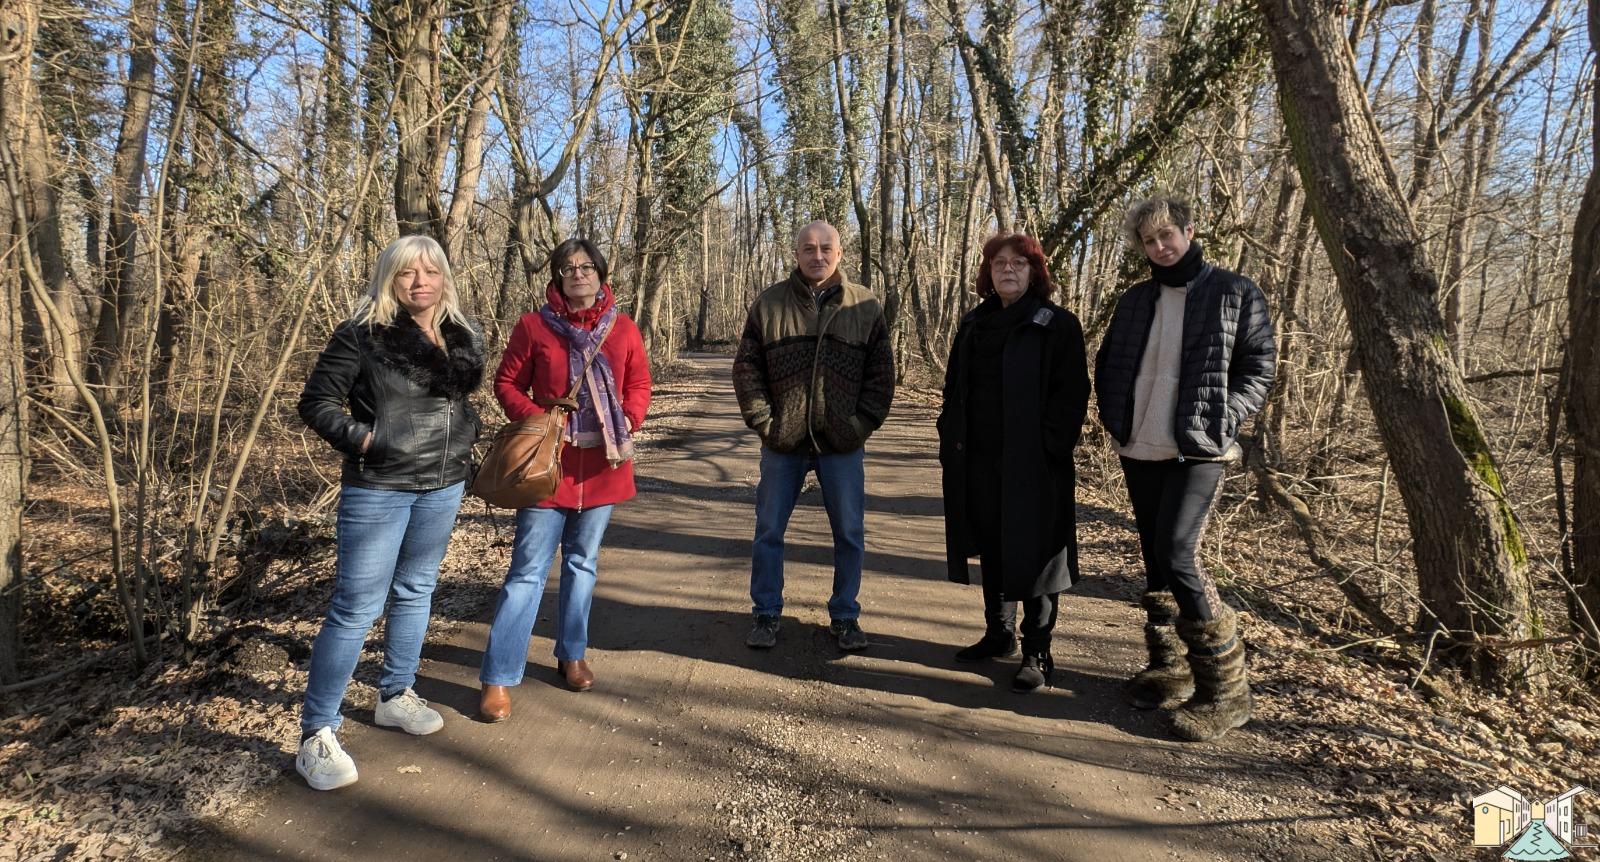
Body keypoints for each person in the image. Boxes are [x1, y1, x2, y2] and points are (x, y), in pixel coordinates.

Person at [294, 235, 485, 790]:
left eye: (430, 271)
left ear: (444, 277)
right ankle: (316, 734)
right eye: (407, 273)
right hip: (380, 486)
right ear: (390, 279)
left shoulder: (459, 336)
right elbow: (316, 403)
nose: (420, 281)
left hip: (444, 484)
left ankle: (396, 694)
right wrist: (369, 440)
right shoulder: (362, 336)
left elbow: (456, 407)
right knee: (356, 607)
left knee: (418, 588)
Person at [1094, 195, 1276, 741]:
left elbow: (1259, 367)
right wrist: (1114, 416)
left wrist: (1227, 415)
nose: (1159, 247)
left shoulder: (1234, 291)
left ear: (1189, 231)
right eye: (1149, 241)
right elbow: (1109, 363)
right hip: (1141, 443)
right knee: (1153, 553)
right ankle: (1167, 669)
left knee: (1179, 553)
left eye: (1166, 235)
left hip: (1200, 448)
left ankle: (1227, 692)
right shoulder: (1135, 300)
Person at [477, 238, 651, 722]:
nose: (578, 274)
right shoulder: (534, 327)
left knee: (583, 564)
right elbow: (506, 383)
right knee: (527, 573)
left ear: (600, 273)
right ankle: (498, 675)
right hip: (544, 469)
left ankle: (571, 653)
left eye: (586, 266)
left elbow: (638, 383)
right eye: (567, 267)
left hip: (603, 466)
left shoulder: (624, 329)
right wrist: (540, 422)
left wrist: (630, 419)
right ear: (556, 277)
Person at [732, 220, 895, 652]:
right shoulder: (769, 304)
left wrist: (859, 425)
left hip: (841, 444)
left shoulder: (865, 306)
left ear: (840, 254)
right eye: (808, 248)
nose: (817, 255)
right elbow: (747, 370)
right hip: (783, 443)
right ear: (796, 254)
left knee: (849, 533)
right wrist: (767, 422)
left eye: (826, 248)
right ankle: (765, 613)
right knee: (768, 531)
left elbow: (882, 376)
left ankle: (845, 616)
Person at [938, 234, 1090, 692]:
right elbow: (953, 388)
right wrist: (951, 434)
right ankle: (998, 633)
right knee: (993, 544)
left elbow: (1072, 395)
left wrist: (1049, 448)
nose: (1008, 270)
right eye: (999, 263)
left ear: (1034, 271)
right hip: (979, 461)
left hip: (1035, 465)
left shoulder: (1056, 325)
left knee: (1039, 554)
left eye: (1019, 263)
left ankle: (1037, 651)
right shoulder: (974, 324)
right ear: (988, 273)